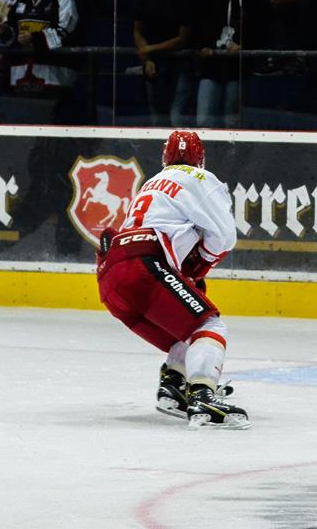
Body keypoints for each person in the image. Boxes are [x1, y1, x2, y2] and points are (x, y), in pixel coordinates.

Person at [96, 130, 248, 429]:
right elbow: (224, 237)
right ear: (200, 158)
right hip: (143, 265)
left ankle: (174, 383)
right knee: (208, 326)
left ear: (165, 157)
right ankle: (202, 394)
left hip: (110, 276)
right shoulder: (201, 179)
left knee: (185, 331)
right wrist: (200, 265)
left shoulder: (151, 184)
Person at [196, 0, 266, 128]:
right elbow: (200, 28)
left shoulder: (254, 3)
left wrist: (244, 47)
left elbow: (261, 34)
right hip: (212, 68)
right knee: (205, 120)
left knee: (232, 122)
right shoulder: (211, 0)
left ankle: (231, 155)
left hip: (238, 71)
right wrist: (205, 45)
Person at [2, 0, 79, 107]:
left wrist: (34, 38)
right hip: (19, 75)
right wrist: (3, 32)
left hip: (53, 77)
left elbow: (64, 33)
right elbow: (8, 29)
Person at [133, 0, 193, 125]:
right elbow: (137, 32)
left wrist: (150, 50)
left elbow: (182, 39)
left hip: (179, 65)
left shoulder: (186, 1)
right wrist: (147, 60)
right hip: (154, 66)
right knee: (157, 118)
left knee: (177, 118)